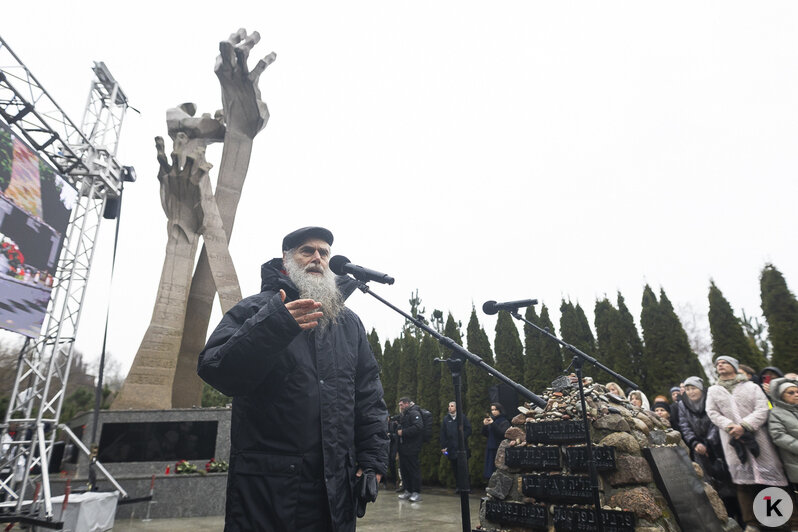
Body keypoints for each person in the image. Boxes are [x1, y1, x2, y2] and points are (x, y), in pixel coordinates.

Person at [198, 226, 389, 531]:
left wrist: (373, 461)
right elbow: (216, 370)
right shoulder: (255, 309)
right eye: (307, 250)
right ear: (286, 262)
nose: (317, 257)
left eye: (323, 252)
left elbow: (368, 398)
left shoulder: (348, 323)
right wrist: (276, 325)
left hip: (335, 491)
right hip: (271, 492)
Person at [706, 355, 787, 532]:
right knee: (743, 483)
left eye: (724, 362)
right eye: (718, 363)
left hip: (757, 437)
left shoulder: (751, 387)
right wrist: (729, 426)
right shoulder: (713, 390)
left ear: (734, 366)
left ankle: (778, 520)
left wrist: (744, 425)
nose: (720, 365)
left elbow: (762, 408)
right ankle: (752, 523)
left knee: (770, 481)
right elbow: (711, 411)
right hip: (732, 439)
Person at [677, 376, 741, 524]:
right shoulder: (682, 405)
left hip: (718, 446)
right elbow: (684, 425)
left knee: (729, 481)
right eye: (687, 389)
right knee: (710, 483)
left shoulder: (709, 398)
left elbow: (715, 420)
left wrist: (708, 443)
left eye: (693, 388)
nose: (690, 392)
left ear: (700, 389)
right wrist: (694, 443)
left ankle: (740, 516)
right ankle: (724, 517)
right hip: (698, 449)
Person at [439, 401, 472, 491]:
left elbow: (469, 429)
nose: (450, 408)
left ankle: (467, 486)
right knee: (455, 468)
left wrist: (462, 436)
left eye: (452, 406)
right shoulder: (446, 419)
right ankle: (458, 486)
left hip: (462, 447)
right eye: (449, 406)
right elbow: (443, 434)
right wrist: (443, 446)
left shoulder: (462, 417)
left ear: (456, 408)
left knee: (464, 469)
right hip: (451, 448)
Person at [396, 397, 424, 502]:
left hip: (412, 447)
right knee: (404, 470)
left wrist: (404, 432)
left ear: (407, 404)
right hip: (403, 447)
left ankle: (416, 492)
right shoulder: (405, 414)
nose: (400, 407)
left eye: (401, 405)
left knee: (413, 470)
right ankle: (408, 490)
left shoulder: (414, 413)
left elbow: (418, 427)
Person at [482, 402, 510, 479]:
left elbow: (502, 434)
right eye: (492, 410)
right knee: (489, 471)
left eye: (495, 409)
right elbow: (485, 434)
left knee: (497, 471)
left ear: (500, 410)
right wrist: (485, 425)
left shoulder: (504, 421)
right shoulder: (492, 420)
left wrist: (493, 424)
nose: (493, 412)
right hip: (490, 447)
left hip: (498, 448)